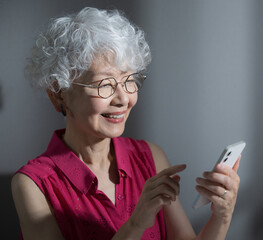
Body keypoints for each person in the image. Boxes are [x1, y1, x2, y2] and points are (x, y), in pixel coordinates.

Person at [11, 7, 241, 240]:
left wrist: (222, 214)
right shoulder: (33, 184)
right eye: (105, 85)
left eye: (129, 80)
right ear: (58, 93)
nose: (123, 99)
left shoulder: (150, 156)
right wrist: (137, 223)